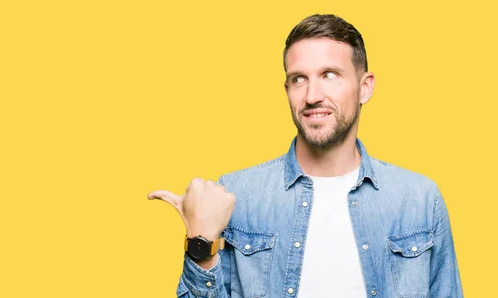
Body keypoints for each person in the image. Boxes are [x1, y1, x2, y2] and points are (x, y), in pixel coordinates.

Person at [148, 14, 463, 298]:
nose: (312, 96)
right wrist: (200, 246)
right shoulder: (236, 195)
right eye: (299, 79)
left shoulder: (419, 199)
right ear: (287, 89)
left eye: (329, 75)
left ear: (365, 87)